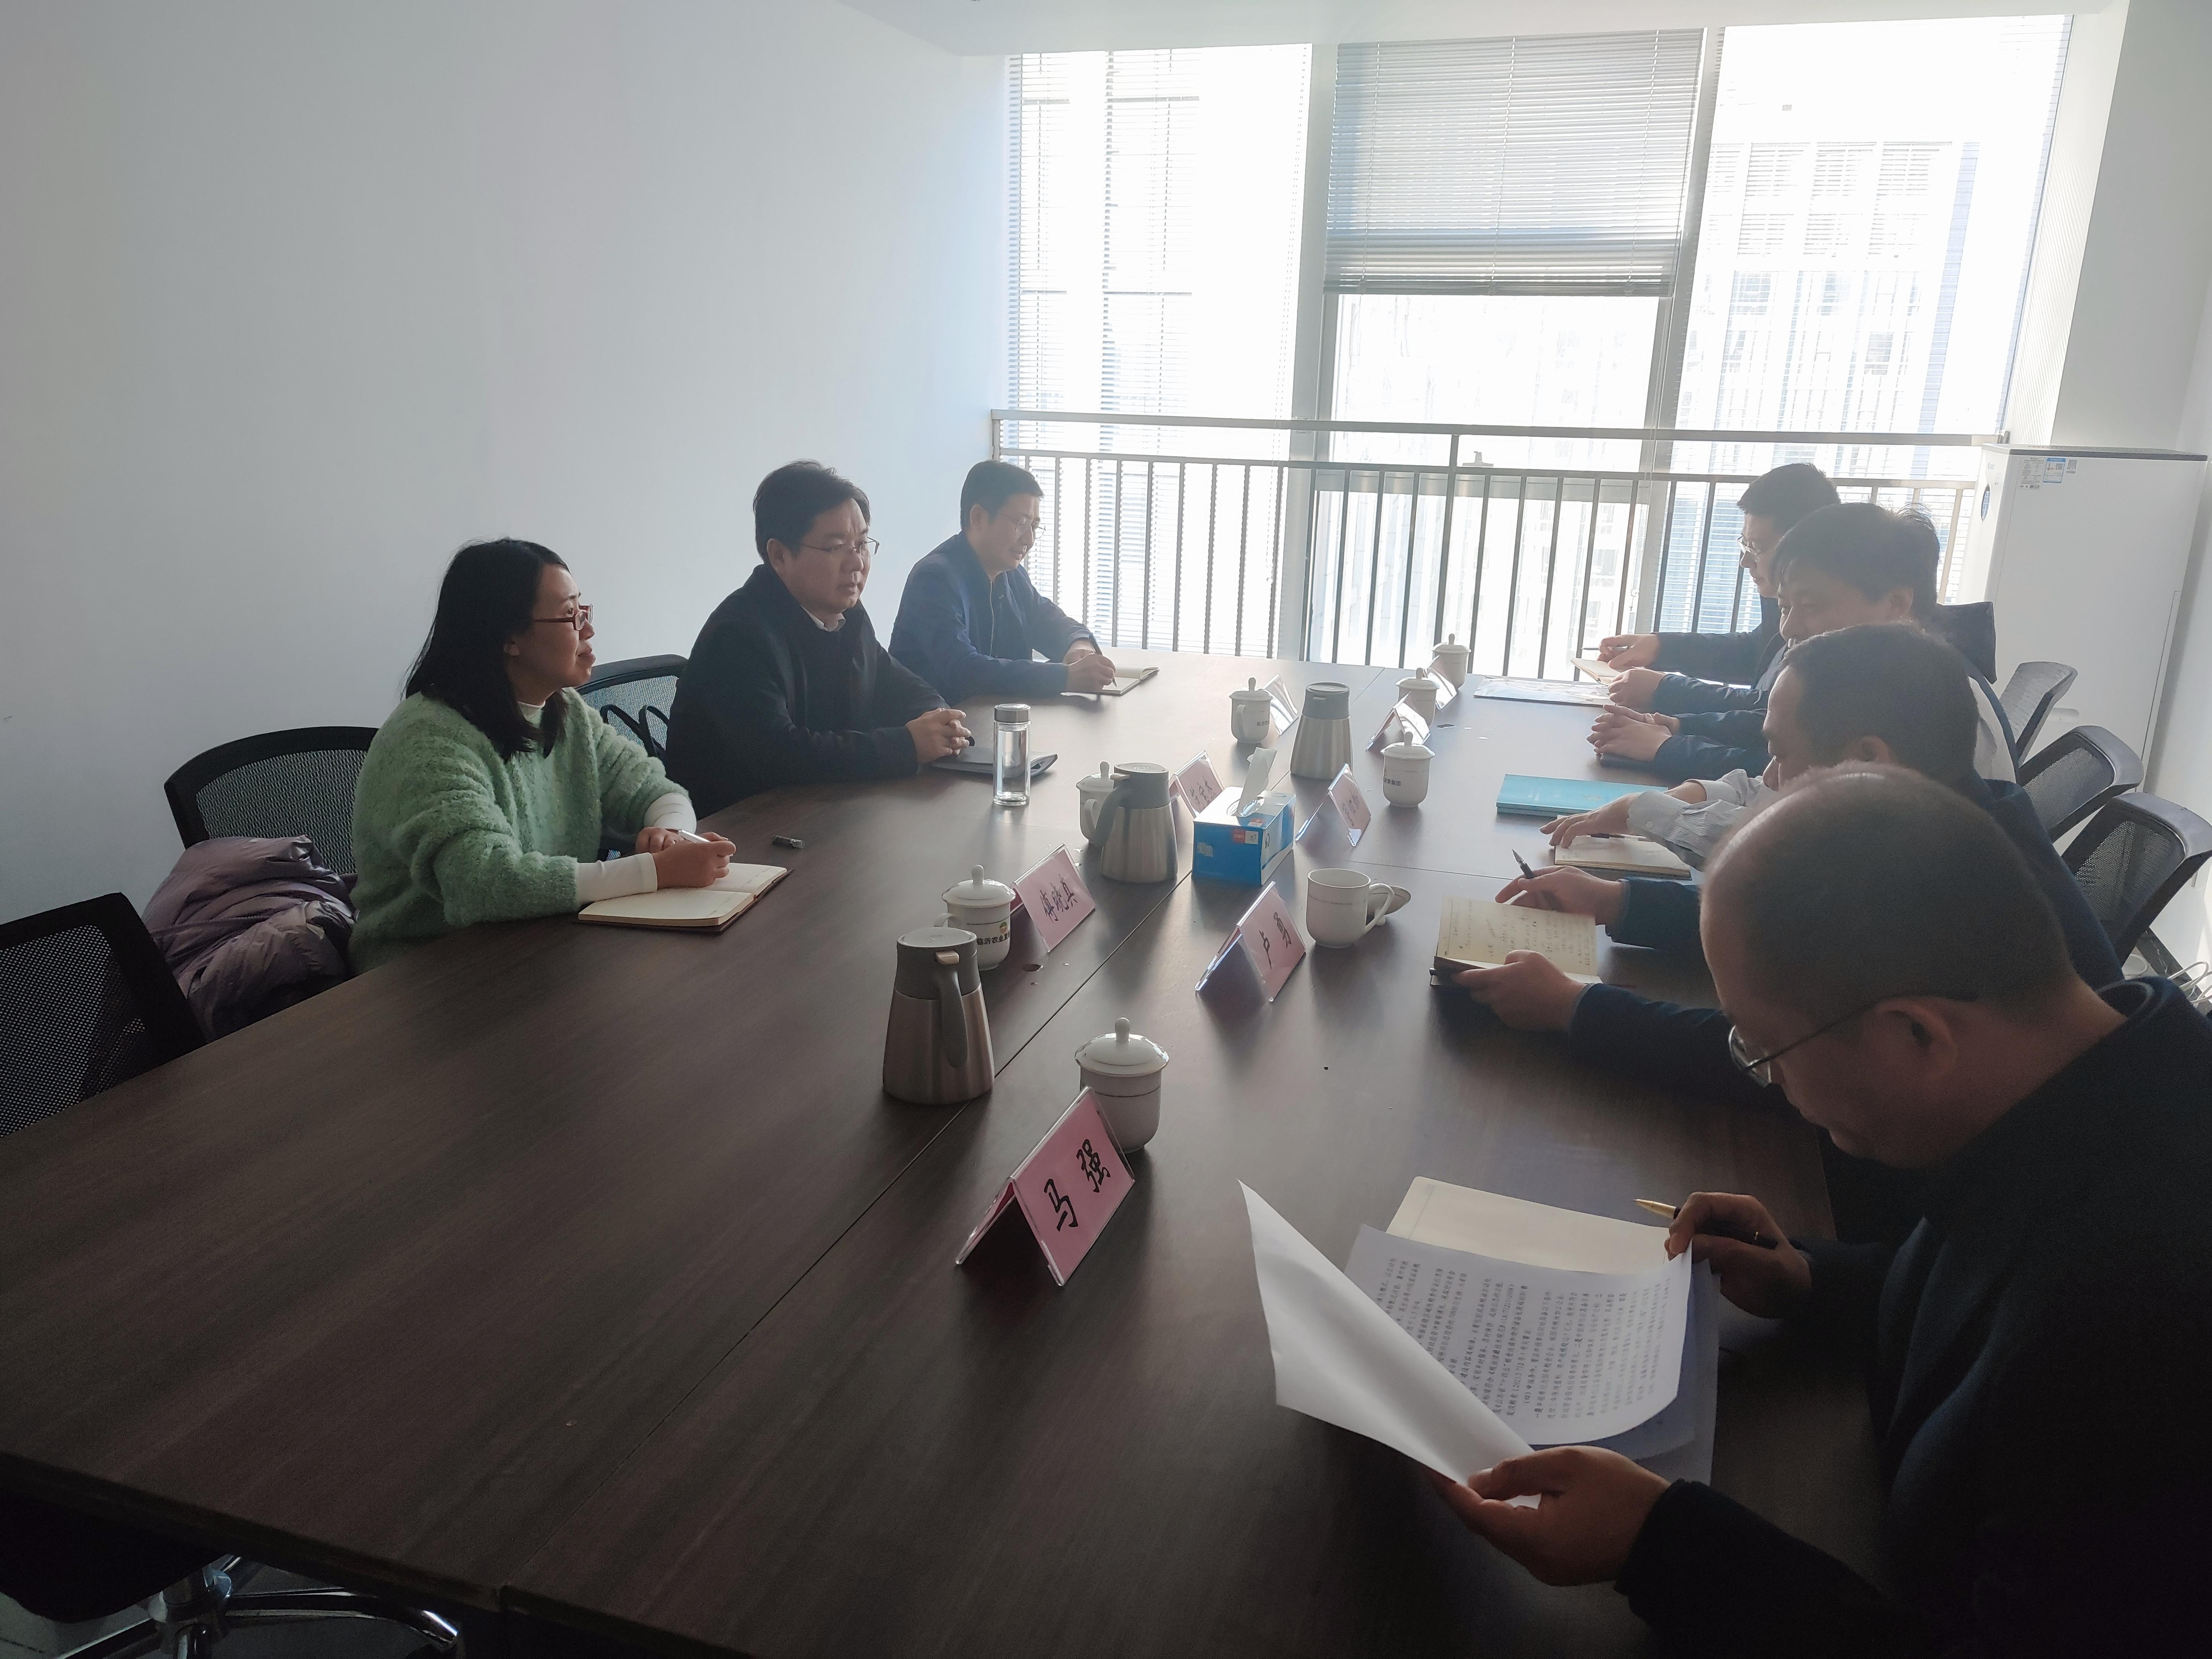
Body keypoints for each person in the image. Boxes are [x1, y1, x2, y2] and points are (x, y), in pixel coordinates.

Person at [1430, 768, 2212, 1656]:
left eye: (1766, 1047)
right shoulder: (2087, 1093)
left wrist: (1662, 1545)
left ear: (1917, 1034)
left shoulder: (2148, 1308)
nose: (1769, 1080)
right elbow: (1979, 1301)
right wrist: (1813, 1280)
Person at [349, 541, 734, 972]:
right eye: (570, 615)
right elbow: (482, 882)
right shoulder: (428, 738)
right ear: (509, 638)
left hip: (541, 946)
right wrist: (655, 872)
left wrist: (672, 835)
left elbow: (656, 789)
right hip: (425, 974)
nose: (588, 629)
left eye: (584, 610)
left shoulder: (564, 710)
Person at [1589, 503, 2017, 783]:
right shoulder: (1883, 673)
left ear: (1896, 604)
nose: (1789, 628)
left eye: (1811, 606)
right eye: (1784, 606)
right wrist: (1679, 728)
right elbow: (1784, 742)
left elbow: (1799, 783)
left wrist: (1671, 748)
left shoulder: (1933, 703)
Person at [664, 461, 970, 815]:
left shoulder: (847, 614)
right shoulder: (737, 636)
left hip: (823, 810)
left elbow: (895, 682)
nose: (857, 564)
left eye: (862, 544)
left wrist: (939, 718)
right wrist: (906, 746)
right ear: (780, 555)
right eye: (837, 547)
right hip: (738, 827)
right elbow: (781, 755)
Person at [889, 460, 1117, 699]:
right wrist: (1064, 677)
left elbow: (1047, 620)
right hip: (940, 718)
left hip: (995, 715)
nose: (1029, 540)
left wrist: (1079, 643)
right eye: (1021, 523)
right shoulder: (934, 579)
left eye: (1035, 526)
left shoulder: (1011, 574)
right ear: (978, 517)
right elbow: (964, 670)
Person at [1594, 462, 1838, 684]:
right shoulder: (1785, 596)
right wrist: (1660, 647)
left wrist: (1663, 691)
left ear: (1803, 546)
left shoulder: (1833, 623)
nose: (1745, 562)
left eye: (1758, 548)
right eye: (1745, 545)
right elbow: (1757, 652)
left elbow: (1761, 708)